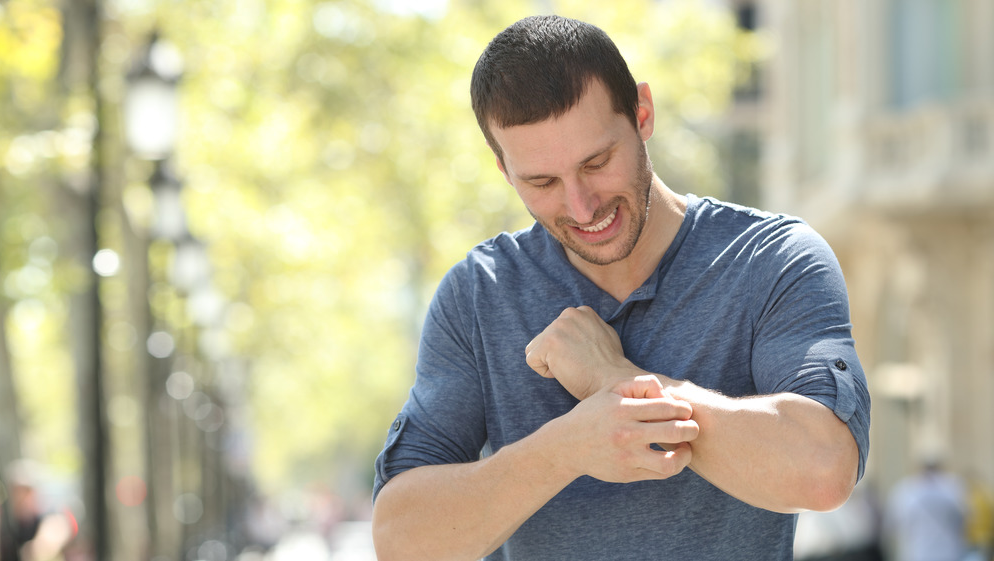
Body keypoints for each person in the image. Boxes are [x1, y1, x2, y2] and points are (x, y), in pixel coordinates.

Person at [371, 14, 870, 561]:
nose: (582, 206)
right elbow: (401, 541)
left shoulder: (771, 260)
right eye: (542, 182)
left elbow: (824, 471)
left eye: (597, 162)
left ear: (643, 114)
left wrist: (619, 380)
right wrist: (568, 447)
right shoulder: (478, 296)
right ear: (504, 170)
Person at [884, 453, 972, 561]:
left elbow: (892, 525)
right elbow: (966, 519)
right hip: (948, 553)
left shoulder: (905, 489)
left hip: (916, 553)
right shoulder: (953, 487)